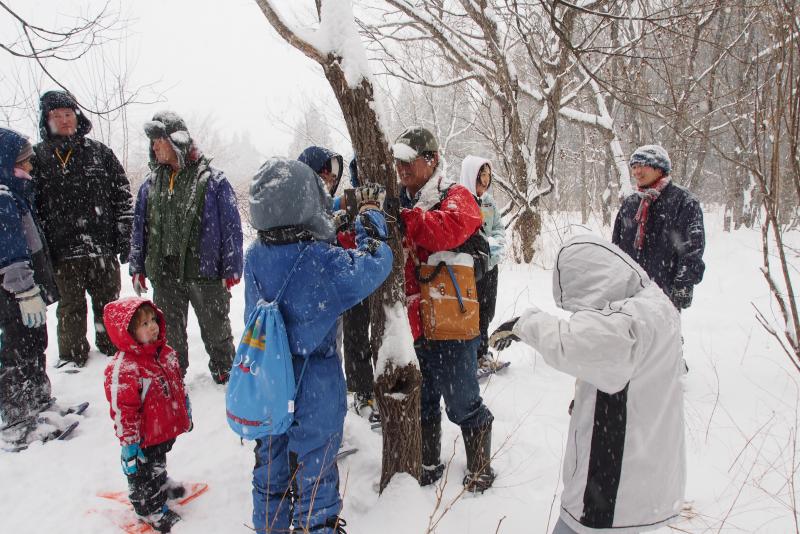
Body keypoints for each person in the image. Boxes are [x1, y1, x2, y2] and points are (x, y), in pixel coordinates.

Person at [489, 234, 686, 534]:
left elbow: (574, 343)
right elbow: (629, 376)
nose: (582, 313)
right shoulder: (655, 304)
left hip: (609, 491)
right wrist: (591, 398)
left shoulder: (627, 320)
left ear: (594, 283)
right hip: (647, 478)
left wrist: (524, 325)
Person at [246, 157, 392, 533]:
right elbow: (374, 263)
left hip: (267, 379)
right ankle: (318, 526)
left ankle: (269, 526)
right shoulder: (320, 261)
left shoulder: (255, 257)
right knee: (316, 471)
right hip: (313, 383)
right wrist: (370, 219)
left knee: (270, 469)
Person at [392, 126, 495, 492]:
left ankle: (481, 468)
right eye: (398, 160)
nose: (401, 166)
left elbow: (447, 229)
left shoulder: (455, 196)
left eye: (409, 159)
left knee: (463, 401)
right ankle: (428, 462)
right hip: (414, 323)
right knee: (424, 402)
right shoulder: (399, 201)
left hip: (452, 321)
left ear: (431, 160)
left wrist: (402, 219)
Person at [128, 111, 243, 384]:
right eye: (152, 141)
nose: (154, 146)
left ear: (176, 141)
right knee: (168, 331)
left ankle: (225, 369)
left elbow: (231, 227)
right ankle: (172, 372)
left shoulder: (213, 180)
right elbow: (139, 227)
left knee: (216, 326)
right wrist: (137, 266)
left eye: (159, 140)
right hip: (164, 271)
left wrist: (232, 266)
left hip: (204, 269)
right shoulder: (150, 184)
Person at [32, 90, 133, 368]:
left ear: (77, 116)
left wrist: (124, 237)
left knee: (108, 304)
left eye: (68, 114)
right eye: (57, 116)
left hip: (101, 247)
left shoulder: (100, 153)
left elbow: (123, 196)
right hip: (62, 252)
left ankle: (112, 348)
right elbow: (31, 208)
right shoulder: (37, 158)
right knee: (70, 308)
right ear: (47, 120)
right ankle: (73, 358)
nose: (64, 121)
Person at [103, 297, 191, 533]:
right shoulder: (125, 368)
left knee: (157, 462)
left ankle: (160, 483)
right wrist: (129, 443)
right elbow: (124, 411)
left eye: (153, 320)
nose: (153, 326)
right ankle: (148, 508)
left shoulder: (164, 353)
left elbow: (176, 385)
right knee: (142, 474)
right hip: (142, 437)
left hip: (161, 430)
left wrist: (185, 407)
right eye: (144, 324)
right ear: (129, 332)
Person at [0, 128, 59, 443]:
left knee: (34, 344)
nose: (30, 168)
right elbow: (10, 252)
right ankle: (17, 420)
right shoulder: (2, 197)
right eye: (23, 163)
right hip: (13, 294)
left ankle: (38, 404)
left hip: (26, 290)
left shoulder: (16, 193)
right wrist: (24, 291)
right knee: (17, 353)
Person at [612, 145, 705, 311]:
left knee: (663, 336)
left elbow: (692, 249)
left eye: (642, 165)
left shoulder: (683, 201)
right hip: (629, 294)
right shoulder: (630, 204)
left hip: (664, 293)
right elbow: (616, 248)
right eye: (633, 167)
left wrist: (684, 284)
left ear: (660, 168)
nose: (636, 172)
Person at [458, 155, 507, 373]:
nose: (485, 182)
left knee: (487, 311)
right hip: (471, 269)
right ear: (471, 176)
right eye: (481, 177)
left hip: (490, 266)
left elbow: (498, 230)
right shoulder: (459, 200)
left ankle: (482, 352)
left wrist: (490, 245)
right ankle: (471, 356)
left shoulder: (488, 202)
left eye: (488, 177)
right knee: (471, 313)